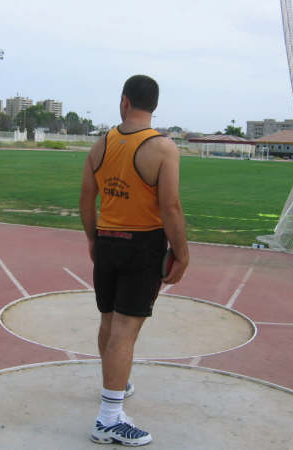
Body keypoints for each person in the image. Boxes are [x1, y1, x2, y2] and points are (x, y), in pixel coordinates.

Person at [79, 74, 189, 446]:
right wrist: (182, 254)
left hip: (108, 242)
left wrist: (94, 239)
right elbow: (170, 207)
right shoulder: (163, 148)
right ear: (153, 105)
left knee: (109, 321)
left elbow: (85, 199)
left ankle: (117, 385)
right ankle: (109, 419)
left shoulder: (100, 145)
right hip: (143, 246)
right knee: (126, 329)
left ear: (125, 101)